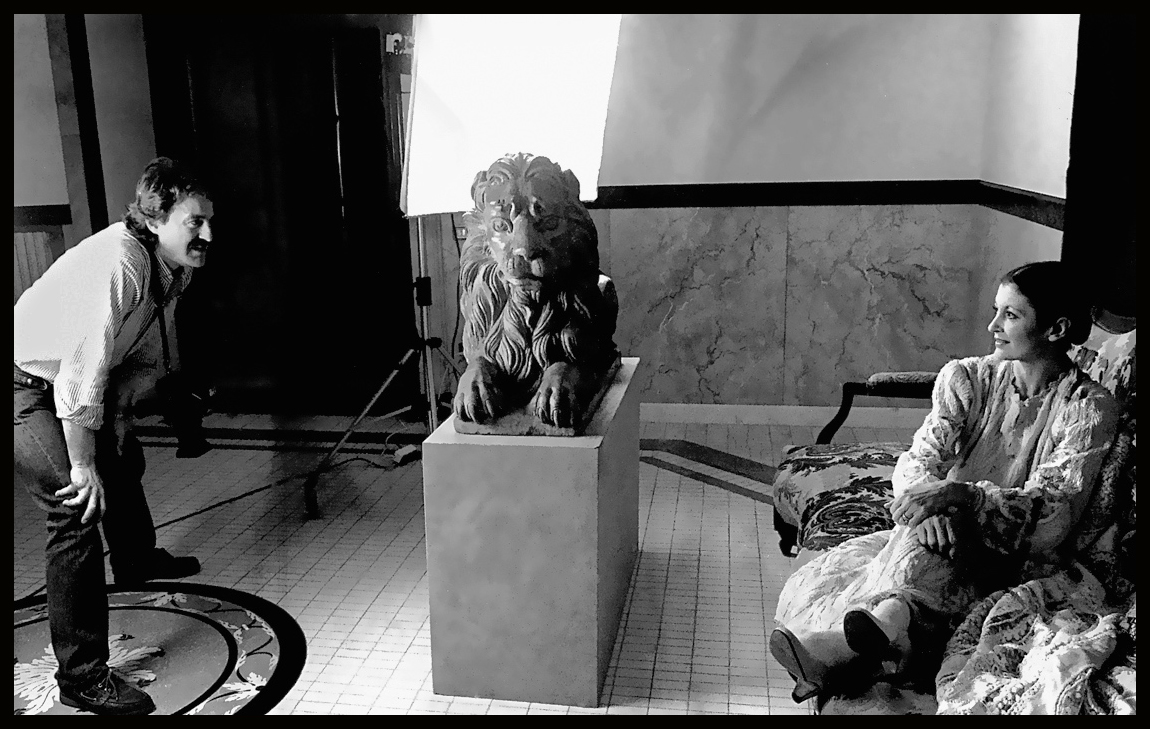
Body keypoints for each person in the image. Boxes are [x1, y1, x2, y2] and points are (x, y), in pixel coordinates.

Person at [768, 261, 1123, 703]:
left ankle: (853, 646)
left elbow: (1053, 513)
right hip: (939, 531)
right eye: (995, 311)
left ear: (1057, 329)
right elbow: (920, 459)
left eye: (1010, 315)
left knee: (941, 539)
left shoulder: (1088, 408)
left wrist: (963, 497)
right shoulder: (968, 378)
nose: (993, 326)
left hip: (1013, 553)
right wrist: (933, 508)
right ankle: (884, 628)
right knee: (927, 534)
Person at [14, 157, 216, 715]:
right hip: (23, 382)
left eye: (209, 221)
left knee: (124, 461)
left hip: (69, 377)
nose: (208, 234)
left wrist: (120, 418)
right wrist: (82, 464)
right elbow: (79, 375)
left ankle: (136, 560)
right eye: (195, 222)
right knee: (76, 506)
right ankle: (81, 677)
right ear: (154, 219)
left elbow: (141, 346)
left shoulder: (174, 265)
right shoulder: (119, 262)